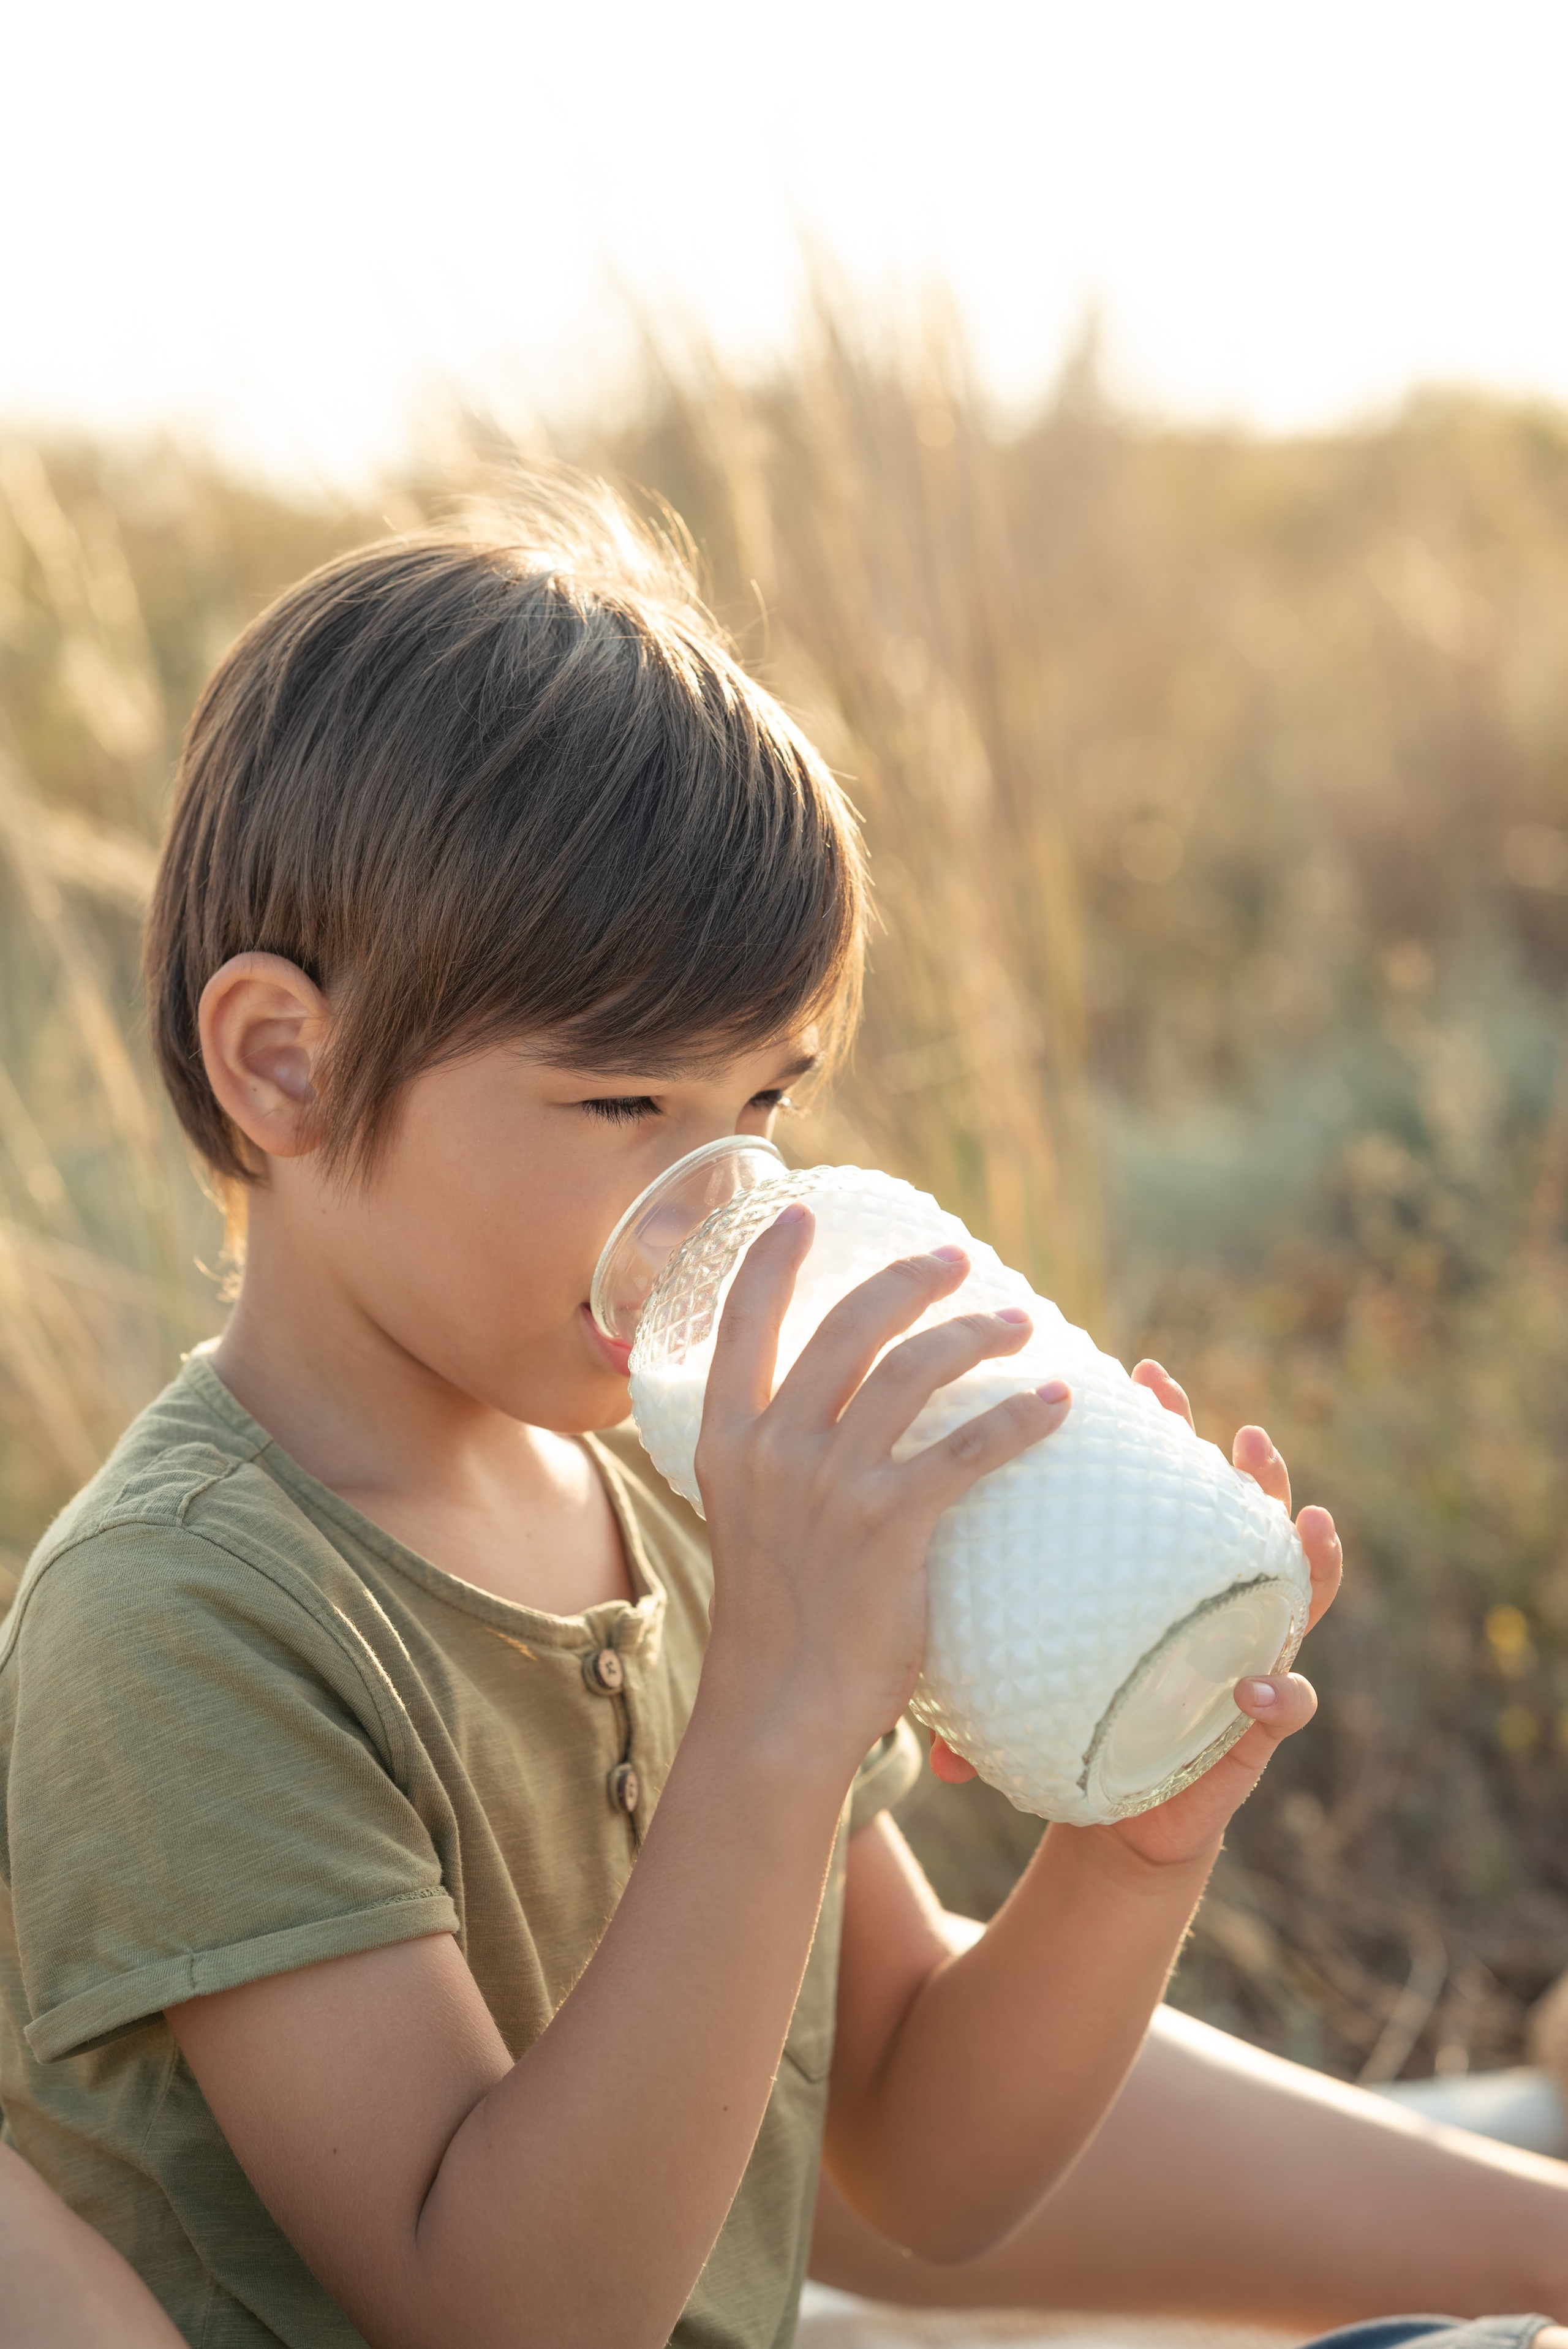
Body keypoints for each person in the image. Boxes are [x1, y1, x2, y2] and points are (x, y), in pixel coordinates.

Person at [0, 487, 1558, 2349]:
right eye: (625, 1106)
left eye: (763, 1105)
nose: (729, 1199)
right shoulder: (185, 1617)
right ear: (286, 1062)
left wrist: (1127, 1849)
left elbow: (910, 2147)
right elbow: (503, 2309)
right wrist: (782, 1713)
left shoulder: (658, 1490)